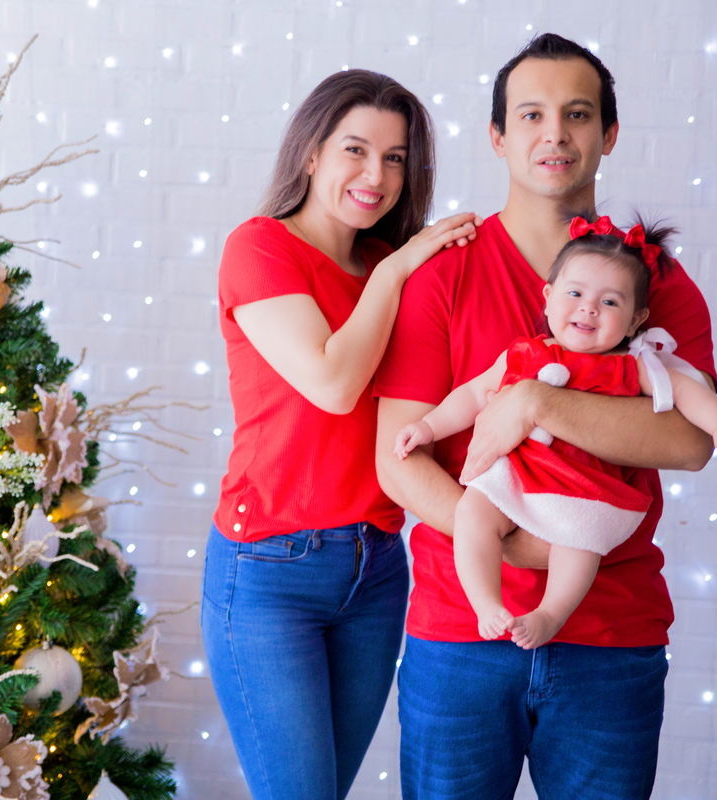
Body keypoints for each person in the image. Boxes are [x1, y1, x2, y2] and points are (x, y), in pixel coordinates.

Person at [374, 34, 717, 799]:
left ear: (609, 135)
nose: (554, 133)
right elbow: (398, 456)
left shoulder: (656, 284)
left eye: (577, 114)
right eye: (530, 115)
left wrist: (537, 401)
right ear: (498, 137)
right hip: (461, 632)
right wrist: (527, 549)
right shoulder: (445, 271)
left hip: (610, 640)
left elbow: (691, 442)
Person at [201, 69, 480, 800]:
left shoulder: (391, 262)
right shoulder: (260, 248)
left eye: (395, 158)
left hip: (378, 569)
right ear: (312, 153)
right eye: (356, 149)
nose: (376, 174)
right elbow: (333, 383)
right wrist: (399, 273)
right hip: (269, 570)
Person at [394, 216, 717, 652]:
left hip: (584, 488)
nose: (588, 309)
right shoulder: (524, 353)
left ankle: (551, 613)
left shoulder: (631, 367)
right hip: (519, 475)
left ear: (637, 319)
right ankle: (486, 602)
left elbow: (688, 393)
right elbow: (471, 396)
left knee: (579, 544)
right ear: (548, 298)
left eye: (610, 302)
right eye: (576, 294)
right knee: (473, 513)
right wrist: (427, 426)